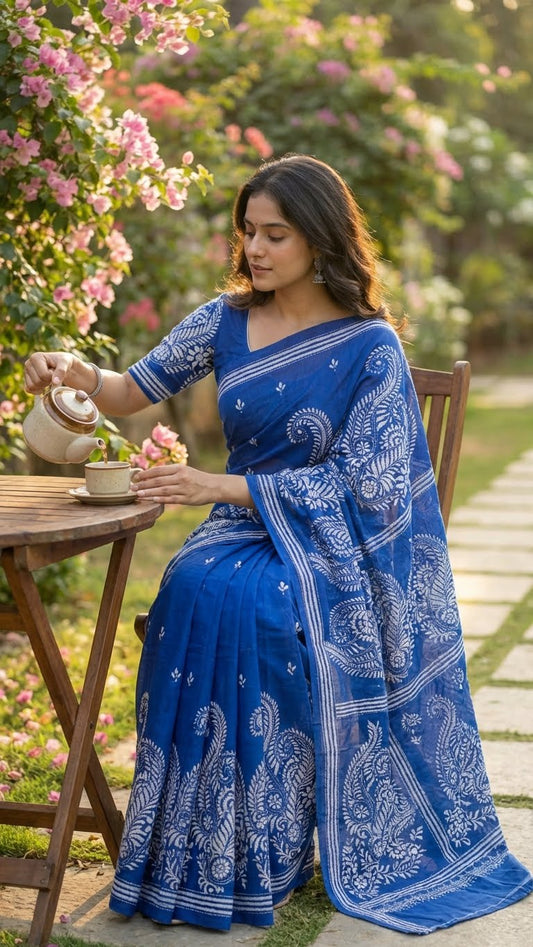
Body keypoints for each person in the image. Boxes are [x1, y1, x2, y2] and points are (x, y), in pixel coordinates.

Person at [24, 154, 532, 933]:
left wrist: (215, 485)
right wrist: (76, 371)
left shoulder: (369, 348)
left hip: (330, 549)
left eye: (275, 235)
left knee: (256, 605)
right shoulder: (224, 319)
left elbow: (369, 489)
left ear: (319, 240)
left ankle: (270, 844)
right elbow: (131, 389)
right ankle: (202, 847)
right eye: (248, 233)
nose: (255, 250)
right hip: (236, 529)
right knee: (196, 587)